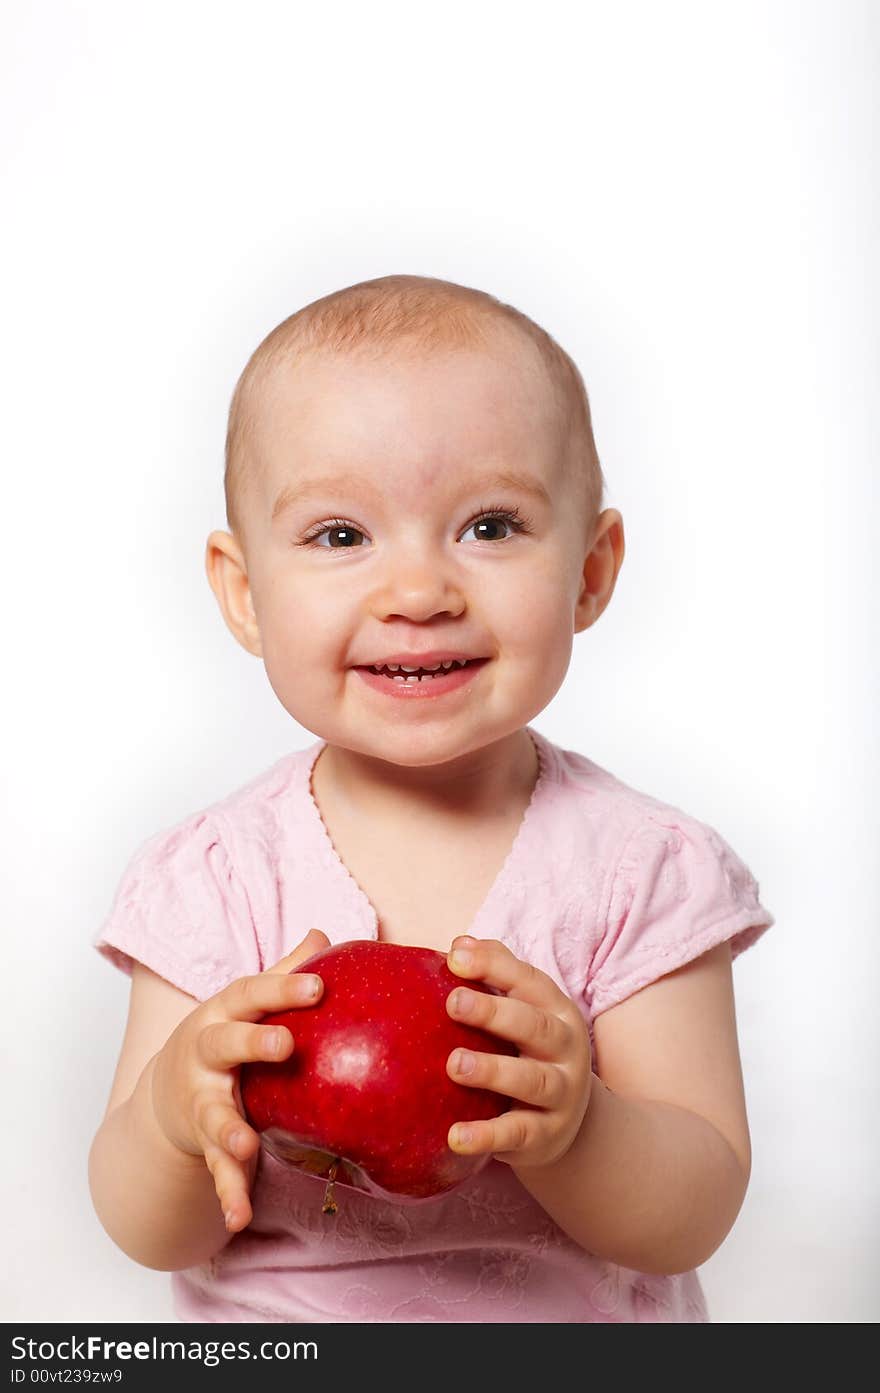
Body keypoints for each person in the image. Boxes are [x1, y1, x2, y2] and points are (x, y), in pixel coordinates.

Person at [88, 273, 774, 1323]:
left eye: (490, 527)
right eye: (339, 536)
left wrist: (581, 1126)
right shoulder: (216, 879)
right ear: (243, 594)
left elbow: (694, 1209)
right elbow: (148, 1229)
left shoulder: (641, 870)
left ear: (590, 571)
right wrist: (177, 1124)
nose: (417, 593)